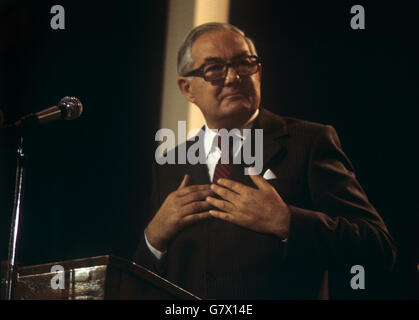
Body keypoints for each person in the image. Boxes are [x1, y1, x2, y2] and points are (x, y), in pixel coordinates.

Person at [133, 22, 397, 299]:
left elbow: (378, 248)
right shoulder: (169, 164)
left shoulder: (309, 142)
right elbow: (138, 280)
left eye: (244, 64)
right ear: (187, 88)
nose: (234, 77)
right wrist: (153, 237)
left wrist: (287, 222)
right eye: (214, 69)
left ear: (258, 72)